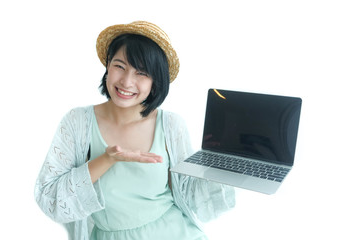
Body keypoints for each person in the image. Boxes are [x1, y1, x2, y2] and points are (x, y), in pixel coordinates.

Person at [34, 21, 235, 240]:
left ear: (155, 82)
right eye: (119, 66)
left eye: (141, 73)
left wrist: (220, 161)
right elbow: (50, 197)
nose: (127, 82)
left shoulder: (171, 125)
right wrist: (108, 159)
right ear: (108, 65)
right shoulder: (77, 122)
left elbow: (194, 198)